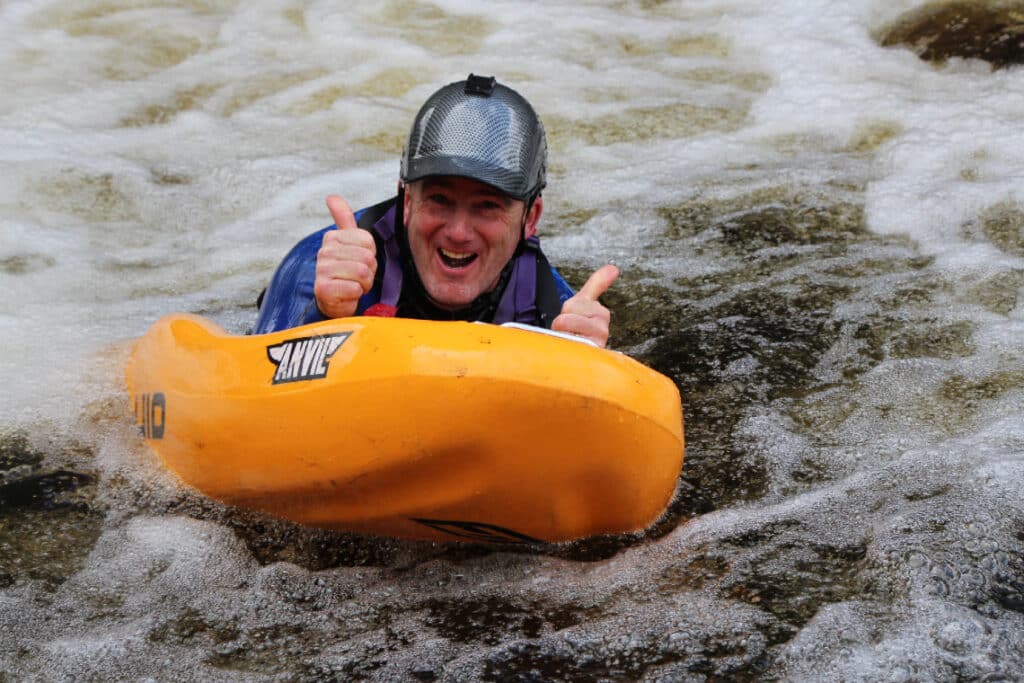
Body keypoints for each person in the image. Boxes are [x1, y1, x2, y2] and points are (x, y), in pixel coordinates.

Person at [254, 74, 617, 347]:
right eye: (439, 200)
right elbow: (255, 404)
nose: (458, 232)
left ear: (531, 219)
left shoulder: (554, 310)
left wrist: (591, 362)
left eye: (487, 207)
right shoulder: (318, 270)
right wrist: (324, 316)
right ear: (407, 201)